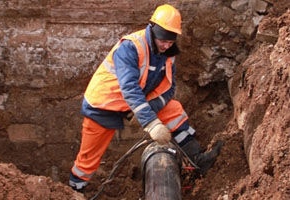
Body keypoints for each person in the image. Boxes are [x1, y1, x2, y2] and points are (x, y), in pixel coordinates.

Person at [69, 4, 223, 192]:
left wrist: (150, 107)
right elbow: (129, 87)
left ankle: (198, 161)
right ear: (153, 31)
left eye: (171, 41)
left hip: (136, 103)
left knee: (173, 110)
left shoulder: (167, 53)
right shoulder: (130, 47)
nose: (167, 45)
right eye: (163, 40)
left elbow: (168, 88)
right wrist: (151, 122)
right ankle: (74, 191)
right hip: (104, 105)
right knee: (88, 157)